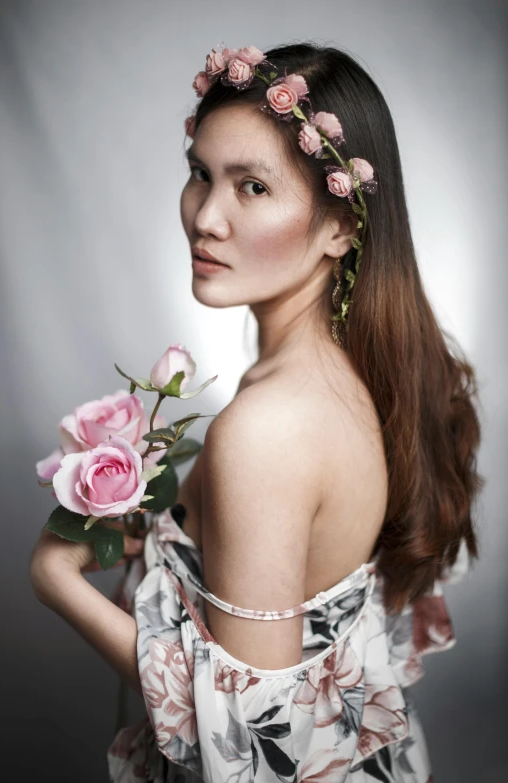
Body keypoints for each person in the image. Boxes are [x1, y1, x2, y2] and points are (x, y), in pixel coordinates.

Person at [30, 42, 484, 782]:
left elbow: (248, 741)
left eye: (252, 187)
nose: (205, 216)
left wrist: (56, 580)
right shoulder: (330, 379)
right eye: (200, 175)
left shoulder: (267, 428)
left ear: (341, 228)